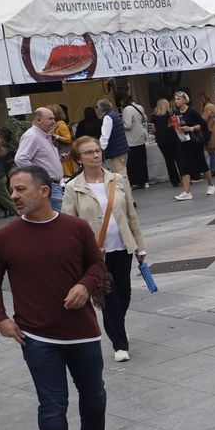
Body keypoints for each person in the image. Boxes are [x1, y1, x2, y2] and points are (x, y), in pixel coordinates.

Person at [0, 165, 115, 430]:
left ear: (43, 191)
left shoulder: (76, 228)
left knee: (94, 393)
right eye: (12, 190)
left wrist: (85, 285)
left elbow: (97, 264)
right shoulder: (5, 238)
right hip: (37, 337)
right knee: (53, 405)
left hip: (83, 331)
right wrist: (0, 319)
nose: (14, 196)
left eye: (21, 189)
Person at [62, 137, 148, 364]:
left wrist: (140, 247)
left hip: (122, 246)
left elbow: (131, 214)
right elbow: (68, 225)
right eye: (88, 153)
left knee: (124, 293)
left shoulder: (117, 180)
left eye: (97, 151)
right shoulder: (73, 187)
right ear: (79, 159)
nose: (95, 155)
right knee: (109, 296)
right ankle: (120, 344)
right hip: (94, 253)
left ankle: (117, 326)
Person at [14, 107, 66, 211]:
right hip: (47, 184)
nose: (54, 122)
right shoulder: (32, 136)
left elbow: (42, 160)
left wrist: (59, 159)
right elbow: (20, 158)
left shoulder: (44, 135)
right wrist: (37, 177)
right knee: (59, 220)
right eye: (50, 119)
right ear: (39, 120)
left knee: (56, 220)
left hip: (54, 184)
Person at [171, 91, 215, 199]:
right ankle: (187, 192)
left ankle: (211, 185)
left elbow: (203, 125)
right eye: (175, 99)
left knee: (201, 163)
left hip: (194, 141)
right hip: (182, 141)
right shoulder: (176, 113)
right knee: (184, 165)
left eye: (179, 99)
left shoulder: (192, 112)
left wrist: (191, 128)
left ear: (185, 100)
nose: (177, 101)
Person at [96, 99, 130, 177]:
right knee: (122, 172)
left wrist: (100, 149)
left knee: (120, 174)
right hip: (123, 148)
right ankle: (125, 188)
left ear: (100, 109)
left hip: (116, 150)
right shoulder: (115, 115)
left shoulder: (107, 118)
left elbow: (105, 136)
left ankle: (124, 189)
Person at [52, 104, 77, 180]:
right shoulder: (55, 125)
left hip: (65, 153)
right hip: (60, 153)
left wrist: (56, 136)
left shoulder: (61, 125)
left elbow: (68, 139)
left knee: (68, 174)